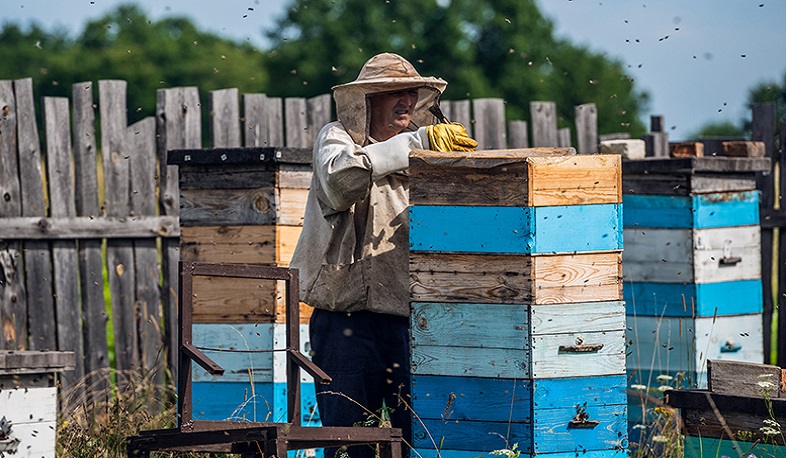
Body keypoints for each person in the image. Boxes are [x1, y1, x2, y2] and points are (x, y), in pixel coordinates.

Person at [290, 53, 476, 458]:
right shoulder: (337, 138)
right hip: (345, 322)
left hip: (414, 320)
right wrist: (414, 144)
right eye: (395, 92)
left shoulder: (428, 152)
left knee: (421, 438)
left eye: (411, 91)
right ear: (367, 101)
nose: (407, 100)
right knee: (348, 441)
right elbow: (340, 182)